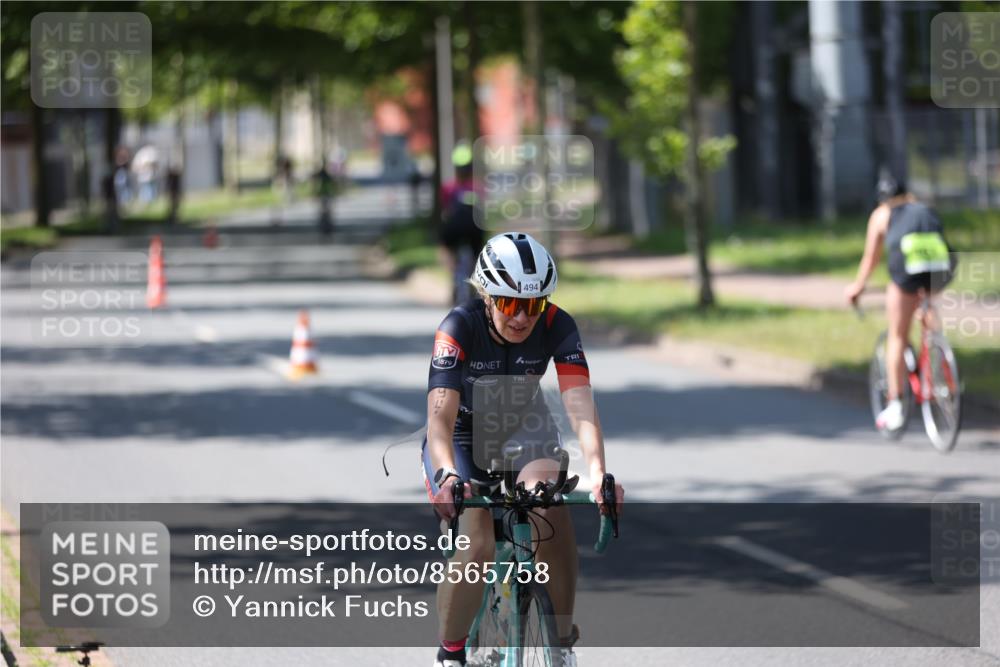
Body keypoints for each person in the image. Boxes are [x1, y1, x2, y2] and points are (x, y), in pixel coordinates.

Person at [421, 232, 625, 667]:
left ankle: (560, 643)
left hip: (522, 429)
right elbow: (439, 418)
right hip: (462, 438)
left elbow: (580, 404)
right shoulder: (458, 326)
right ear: (487, 296)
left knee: (551, 506)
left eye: (533, 304)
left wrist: (599, 472)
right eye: (511, 304)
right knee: (478, 543)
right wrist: (446, 477)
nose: (522, 317)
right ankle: (450, 653)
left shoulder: (558, 325)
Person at [845, 176, 955, 431]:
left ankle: (895, 402)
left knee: (897, 334)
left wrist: (858, 287)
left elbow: (871, 258)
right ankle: (939, 364)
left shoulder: (882, 214)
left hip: (906, 272)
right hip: (941, 268)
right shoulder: (923, 209)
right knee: (927, 310)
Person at [439, 142, 484, 304]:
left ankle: (453, 275)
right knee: (479, 253)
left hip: (455, 228)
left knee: (445, 247)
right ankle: (474, 278)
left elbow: (446, 211)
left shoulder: (449, 188)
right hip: (474, 228)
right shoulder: (478, 187)